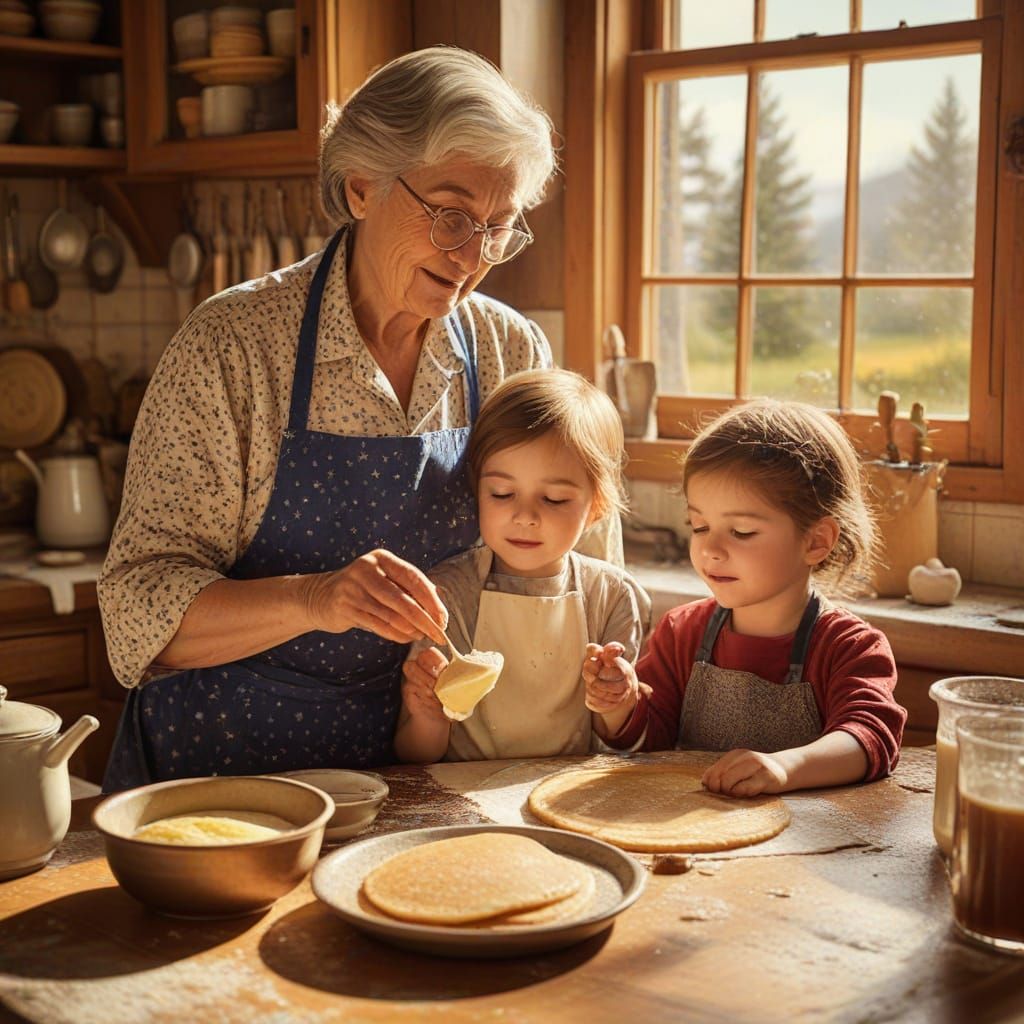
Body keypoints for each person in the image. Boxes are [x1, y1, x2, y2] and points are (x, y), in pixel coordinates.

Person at [98, 47, 621, 791]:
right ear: (362, 188)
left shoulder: (509, 348)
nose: (472, 256)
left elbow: (587, 572)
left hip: (424, 779)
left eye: (497, 228)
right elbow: (135, 612)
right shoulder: (234, 345)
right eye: (450, 215)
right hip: (228, 776)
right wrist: (314, 597)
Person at [592, 398, 907, 796]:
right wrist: (619, 703)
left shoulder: (849, 647)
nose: (711, 549)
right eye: (699, 525)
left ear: (816, 541)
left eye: (741, 532)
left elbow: (870, 738)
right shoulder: (681, 633)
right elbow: (648, 741)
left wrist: (784, 767)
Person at [394, 369, 650, 763]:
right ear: (477, 489)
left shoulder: (613, 597)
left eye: (554, 499)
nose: (525, 515)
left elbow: (617, 739)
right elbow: (416, 756)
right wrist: (427, 715)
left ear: (596, 506)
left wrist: (616, 700)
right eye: (502, 493)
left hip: (563, 795)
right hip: (464, 799)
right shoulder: (447, 592)